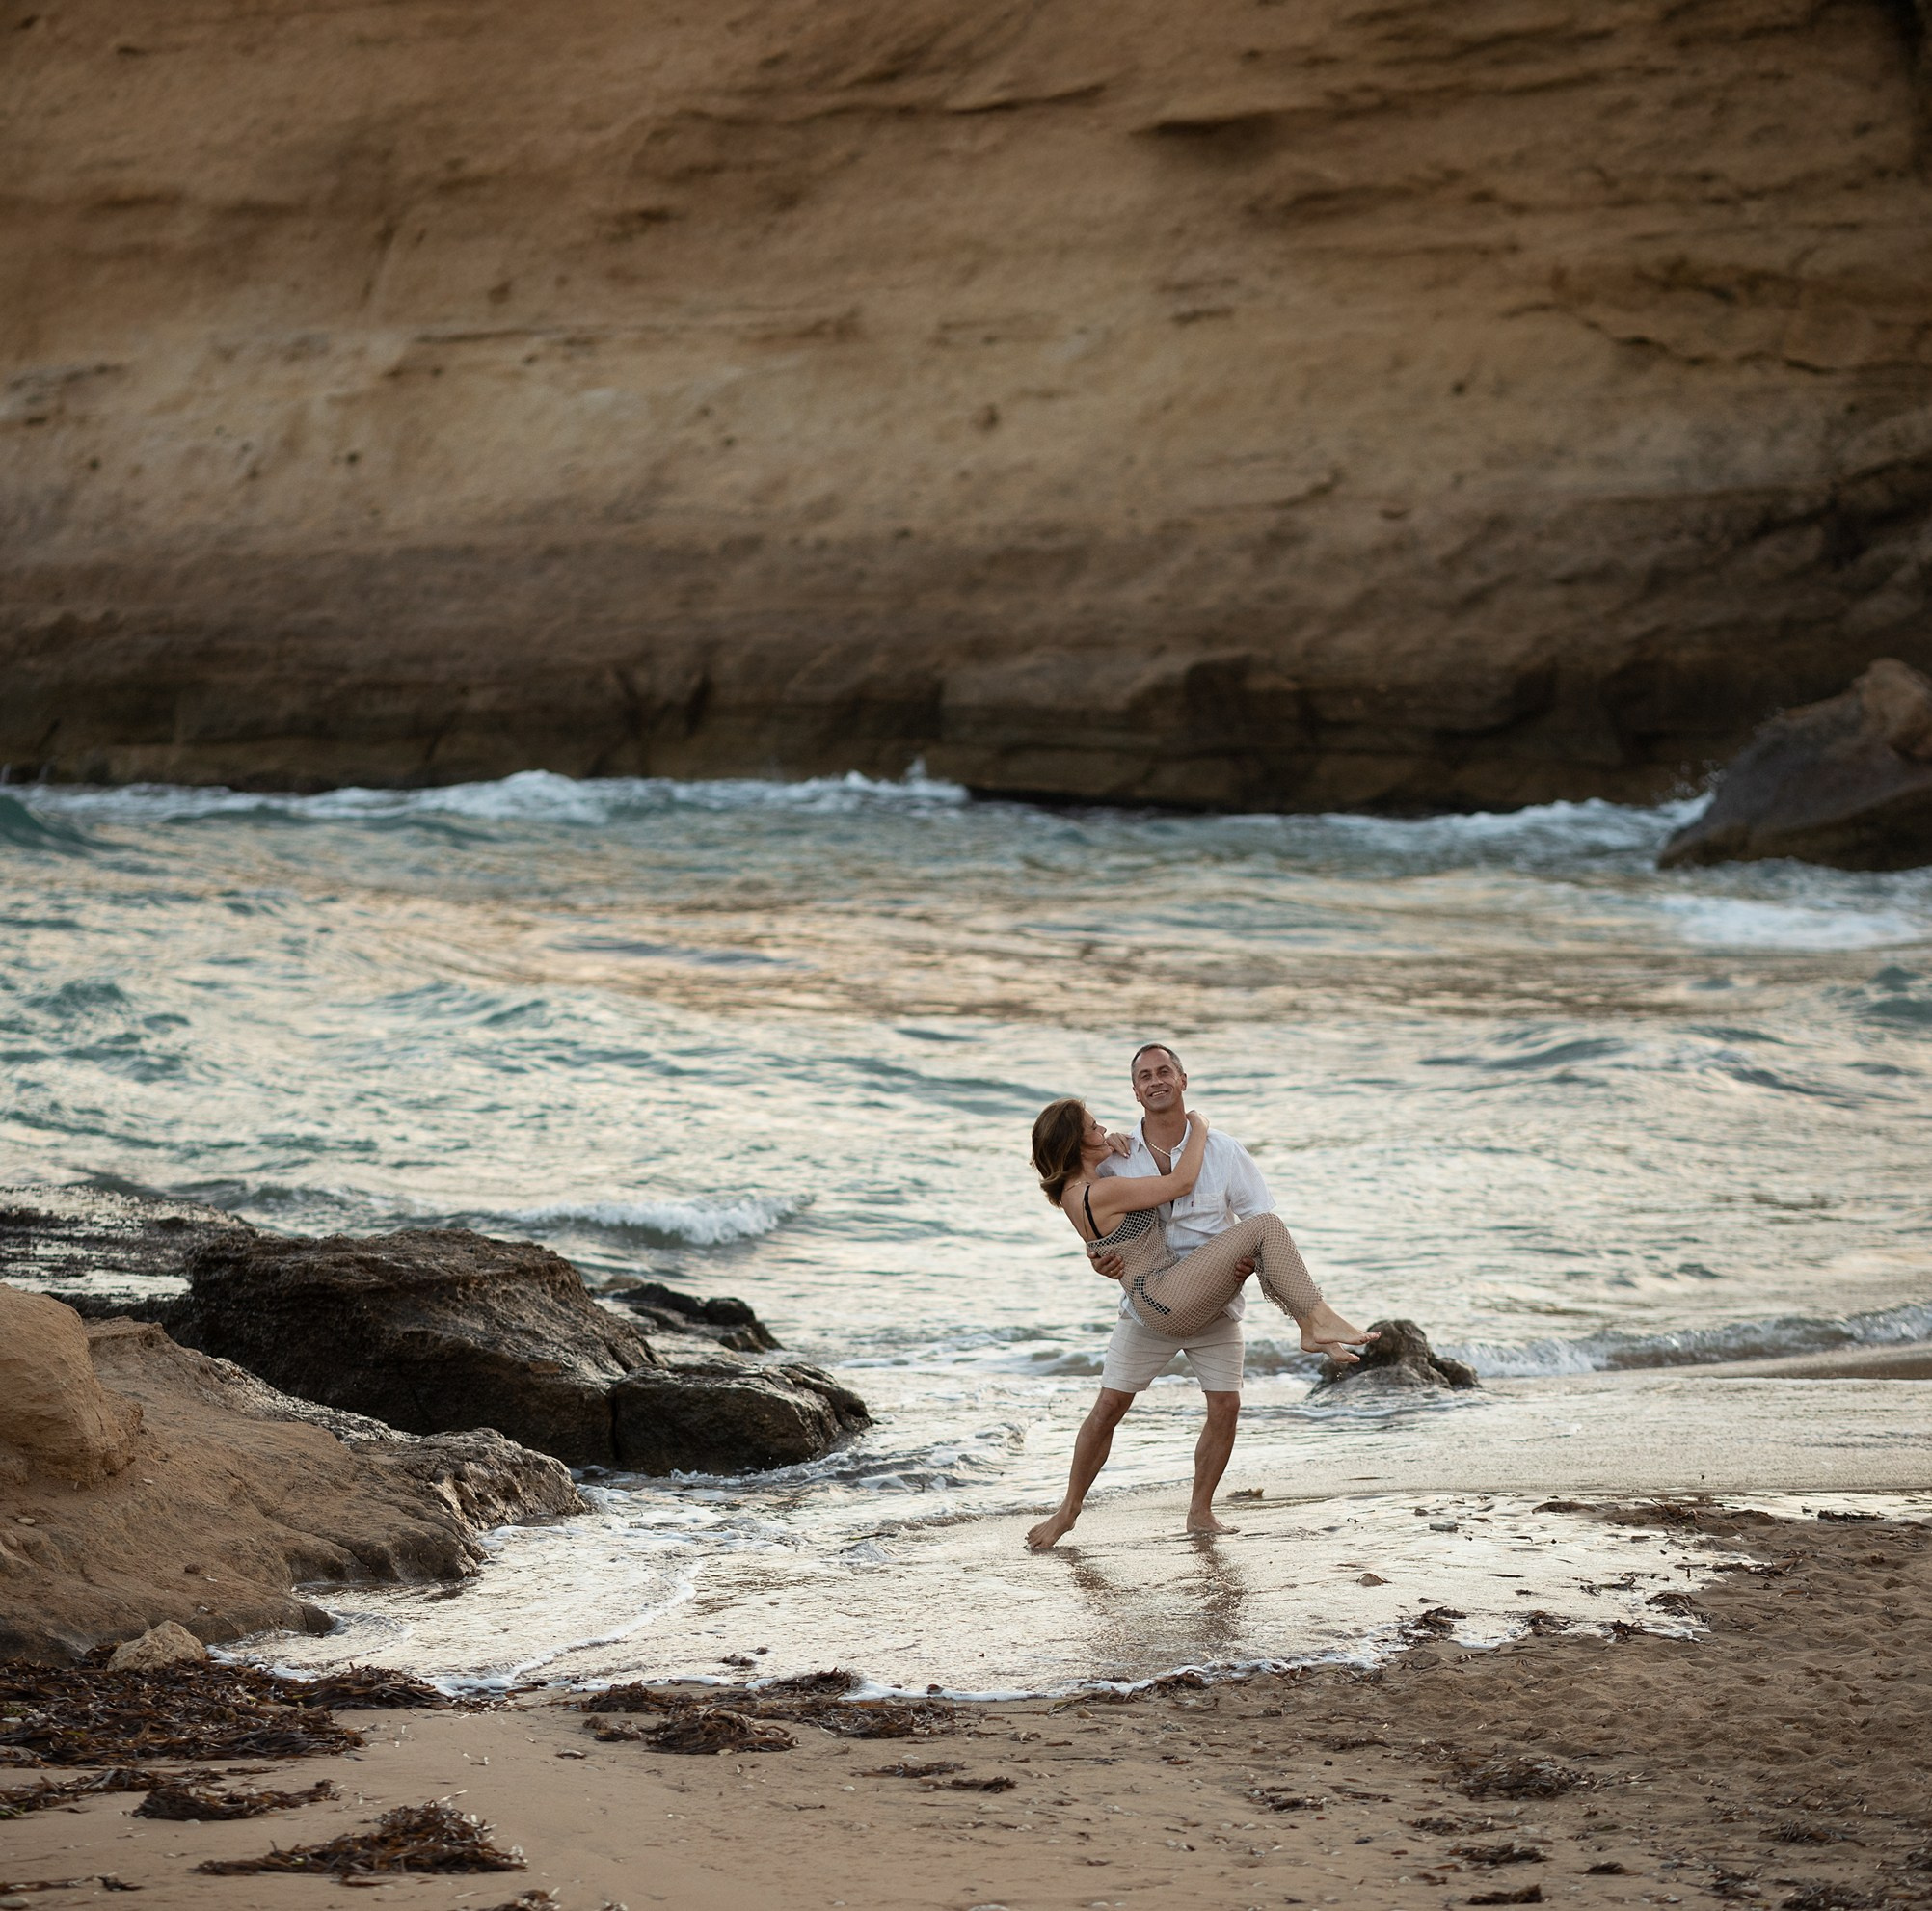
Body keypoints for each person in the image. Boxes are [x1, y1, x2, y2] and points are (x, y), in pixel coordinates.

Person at [1024, 1042, 1374, 1550]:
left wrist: (1242, 1262)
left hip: (1210, 1295)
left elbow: (1110, 1233)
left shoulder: (1129, 1163)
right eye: (1145, 1076)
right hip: (1156, 1303)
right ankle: (1313, 1321)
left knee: (1225, 1405)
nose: (1155, 1080)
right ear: (1136, 1092)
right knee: (1108, 1408)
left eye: (1165, 1071)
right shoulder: (1116, 1169)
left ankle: (1201, 1512)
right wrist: (1199, 1126)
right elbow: (1174, 1189)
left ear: (1182, 1079)